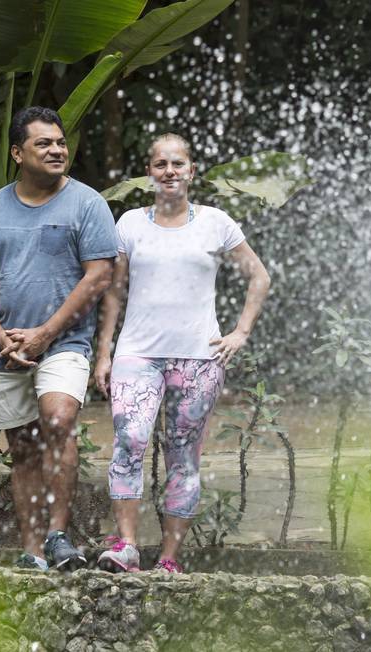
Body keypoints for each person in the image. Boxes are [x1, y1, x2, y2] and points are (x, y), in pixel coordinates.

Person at [93, 133, 271, 573]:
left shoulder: (216, 222)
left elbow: (259, 276)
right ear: (149, 173)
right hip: (138, 354)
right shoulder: (129, 223)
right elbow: (114, 291)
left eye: (177, 164)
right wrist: (104, 352)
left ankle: (169, 559)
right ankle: (127, 546)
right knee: (129, 441)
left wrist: (240, 332)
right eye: (160, 164)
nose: (169, 171)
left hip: (199, 358)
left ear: (191, 171)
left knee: (183, 455)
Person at [0, 106, 118, 571]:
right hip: (7, 348)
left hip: (64, 343)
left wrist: (45, 335)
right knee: (23, 448)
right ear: (17, 153)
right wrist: (1, 339)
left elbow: (99, 276)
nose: (56, 150)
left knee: (59, 419)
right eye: (43, 143)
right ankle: (32, 551)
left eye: (60, 142)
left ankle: (58, 536)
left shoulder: (87, 203)